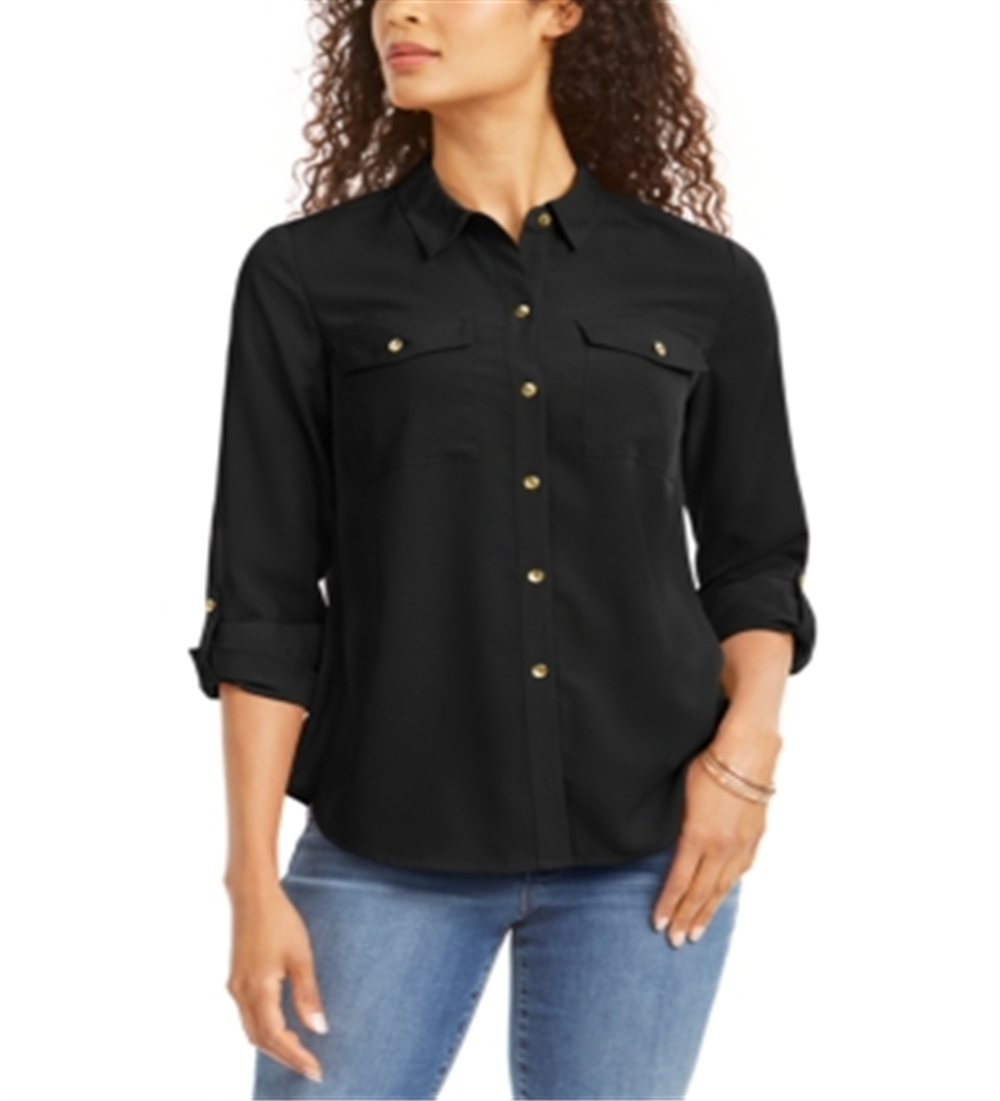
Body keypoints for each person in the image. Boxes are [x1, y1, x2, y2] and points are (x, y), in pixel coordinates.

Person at [188, 0, 817, 1096]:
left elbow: (755, 558)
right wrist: (252, 879)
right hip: (386, 841)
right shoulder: (306, 276)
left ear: (560, 13)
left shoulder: (706, 282)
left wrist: (745, 757)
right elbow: (266, 602)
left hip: (651, 847)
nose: (401, 10)